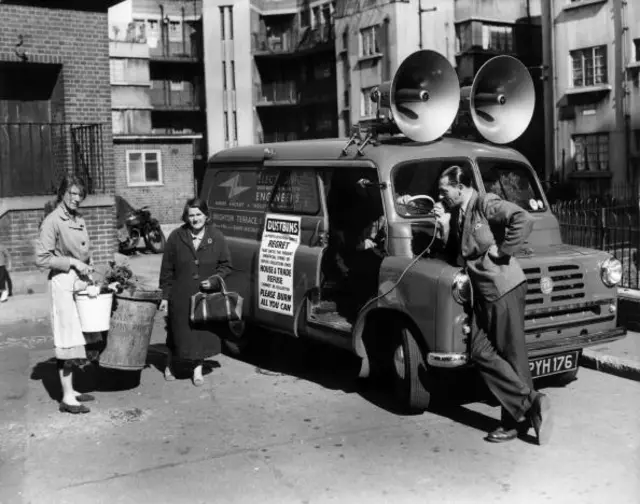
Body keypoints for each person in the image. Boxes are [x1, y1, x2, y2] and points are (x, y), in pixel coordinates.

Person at [434, 165, 552, 445]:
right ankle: (531, 402)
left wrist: (505, 249)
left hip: (504, 288)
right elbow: (455, 254)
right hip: (485, 294)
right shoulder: (460, 214)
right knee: (478, 349)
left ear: (460, 187)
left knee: (512, 355)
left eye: (444, 190)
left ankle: (514, 424)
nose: (441, 196)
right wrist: (445, 224)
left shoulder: (485, 203)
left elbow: (522, 219)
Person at [35, 175, 99, 414]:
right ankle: (67, 397)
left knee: (82, 336)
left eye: (79, 194)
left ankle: (72, 390)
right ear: (62, 193)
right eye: (71, 193)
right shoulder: (52, 221)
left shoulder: (77, 218)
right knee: (67, 340)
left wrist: (88, 265)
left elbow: (84, 250)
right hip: (62, 284)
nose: (76, 198)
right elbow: (42, 258)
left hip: (79, 282)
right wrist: (72, 262)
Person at [159, 198, 232, 386]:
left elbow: (226, 266)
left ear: (206, 215)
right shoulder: (176, 236)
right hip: (180, 294)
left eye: (198, 214)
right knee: (176, 332)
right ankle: (170, 365)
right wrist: (165, 296)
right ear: (186, 217)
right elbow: (166, 269)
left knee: (200, 333)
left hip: (203, 297)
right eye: (191, 215)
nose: (195, 219)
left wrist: (215, 280)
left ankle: (197, 370)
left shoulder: (216, 237)